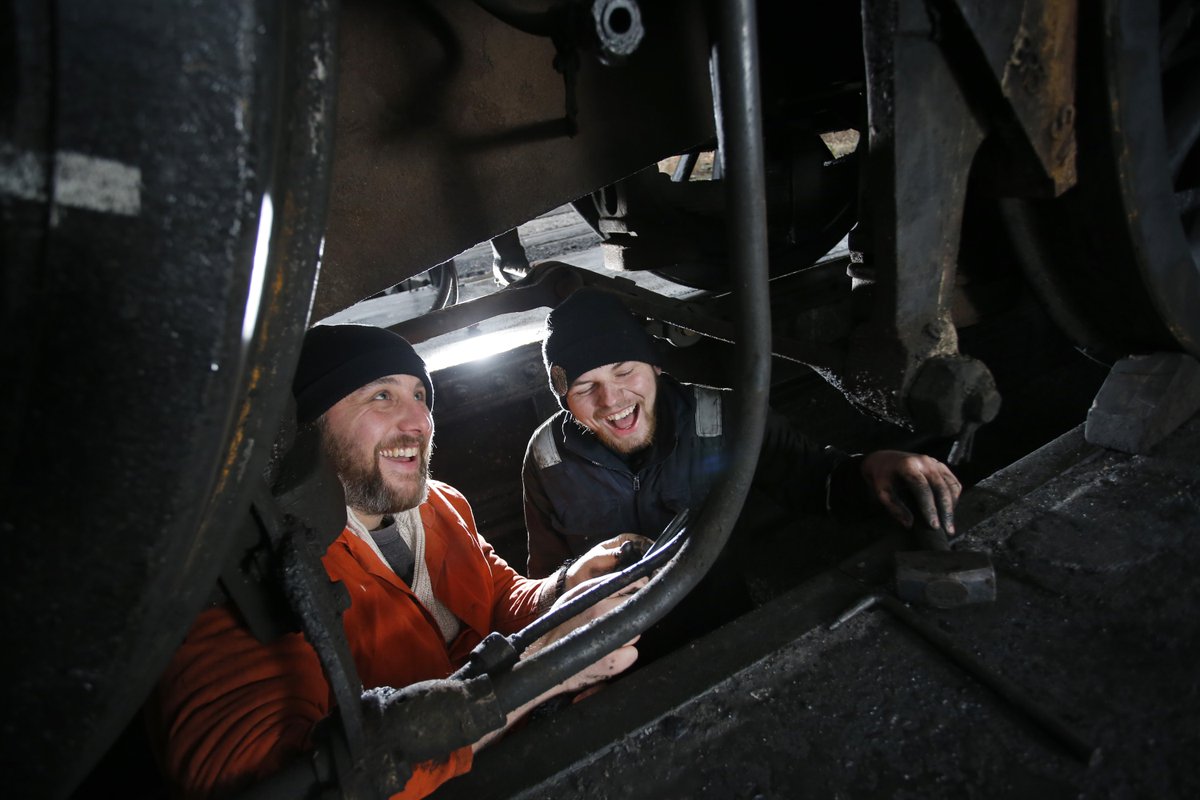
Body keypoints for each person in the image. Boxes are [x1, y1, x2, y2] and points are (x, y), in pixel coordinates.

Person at [149, 323, 642, 800]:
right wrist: (543, 673)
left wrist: (566, 583)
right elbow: (272, 778)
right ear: (308, 425)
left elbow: (496, 600)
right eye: (381, 396)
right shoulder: (247, 568)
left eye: (419, 396)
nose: (418, 422)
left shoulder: (438, 505)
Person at [522, 287, 963, 583]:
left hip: (720, 623)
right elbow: (546, 577)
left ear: (656, 366)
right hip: (608, 648)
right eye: (584, 387)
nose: (611, 399)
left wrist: (874, 468)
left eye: (625, 371)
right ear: (565, 399)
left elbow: (813, 479)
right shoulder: (546, 458)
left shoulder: (725, 416)